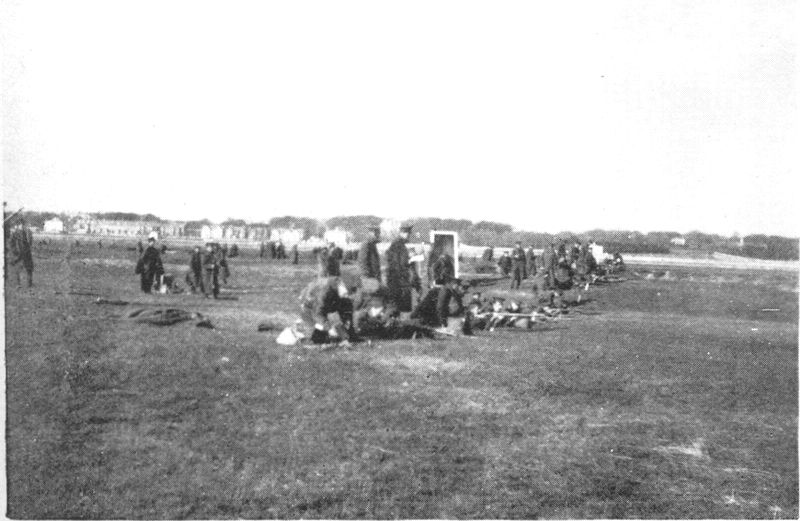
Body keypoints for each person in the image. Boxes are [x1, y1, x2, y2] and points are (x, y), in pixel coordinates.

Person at [298, 273, 360, 343]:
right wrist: (328, 327)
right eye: (346, 294)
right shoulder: (324, 293)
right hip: (309, 307)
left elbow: (347, 314)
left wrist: (351, 334)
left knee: (338, 325)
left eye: (350, 295)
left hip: (328, 303)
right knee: (319, 335)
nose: (348, 296)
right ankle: (307, 334)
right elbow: (318, 313)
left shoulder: (343, 294)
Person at [385, 225, 417, 314]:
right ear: (401, 233)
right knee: (397, 306)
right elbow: (396, 264)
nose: (408, 235)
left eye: (409, 233)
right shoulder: (396, 245)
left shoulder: (404, 245)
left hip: (402, 280)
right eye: (406, 233)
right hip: (397, 280)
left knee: (402, 307)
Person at [7, 219, 34, 288]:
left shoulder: (28, 232)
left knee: (29, 268)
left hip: (27, 253)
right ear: (17, 225)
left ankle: (29, 283)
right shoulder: (15, 233)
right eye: (20, 225)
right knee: (17, 268)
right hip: (18, 253)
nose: (22, 226)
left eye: (23, 224)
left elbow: (30, 242)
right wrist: (15, 251)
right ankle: (18, 284)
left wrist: (28, 249)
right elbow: (11, 243)